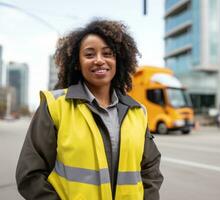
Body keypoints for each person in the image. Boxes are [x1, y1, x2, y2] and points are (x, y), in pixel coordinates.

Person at [16, 19, 163, 200]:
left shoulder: (137, 111)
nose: (99, 60)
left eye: (108, 53)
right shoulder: (55, 106)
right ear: (77, 62)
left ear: (118, 60)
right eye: (89, 54)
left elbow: (150, 170)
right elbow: (30, 175)